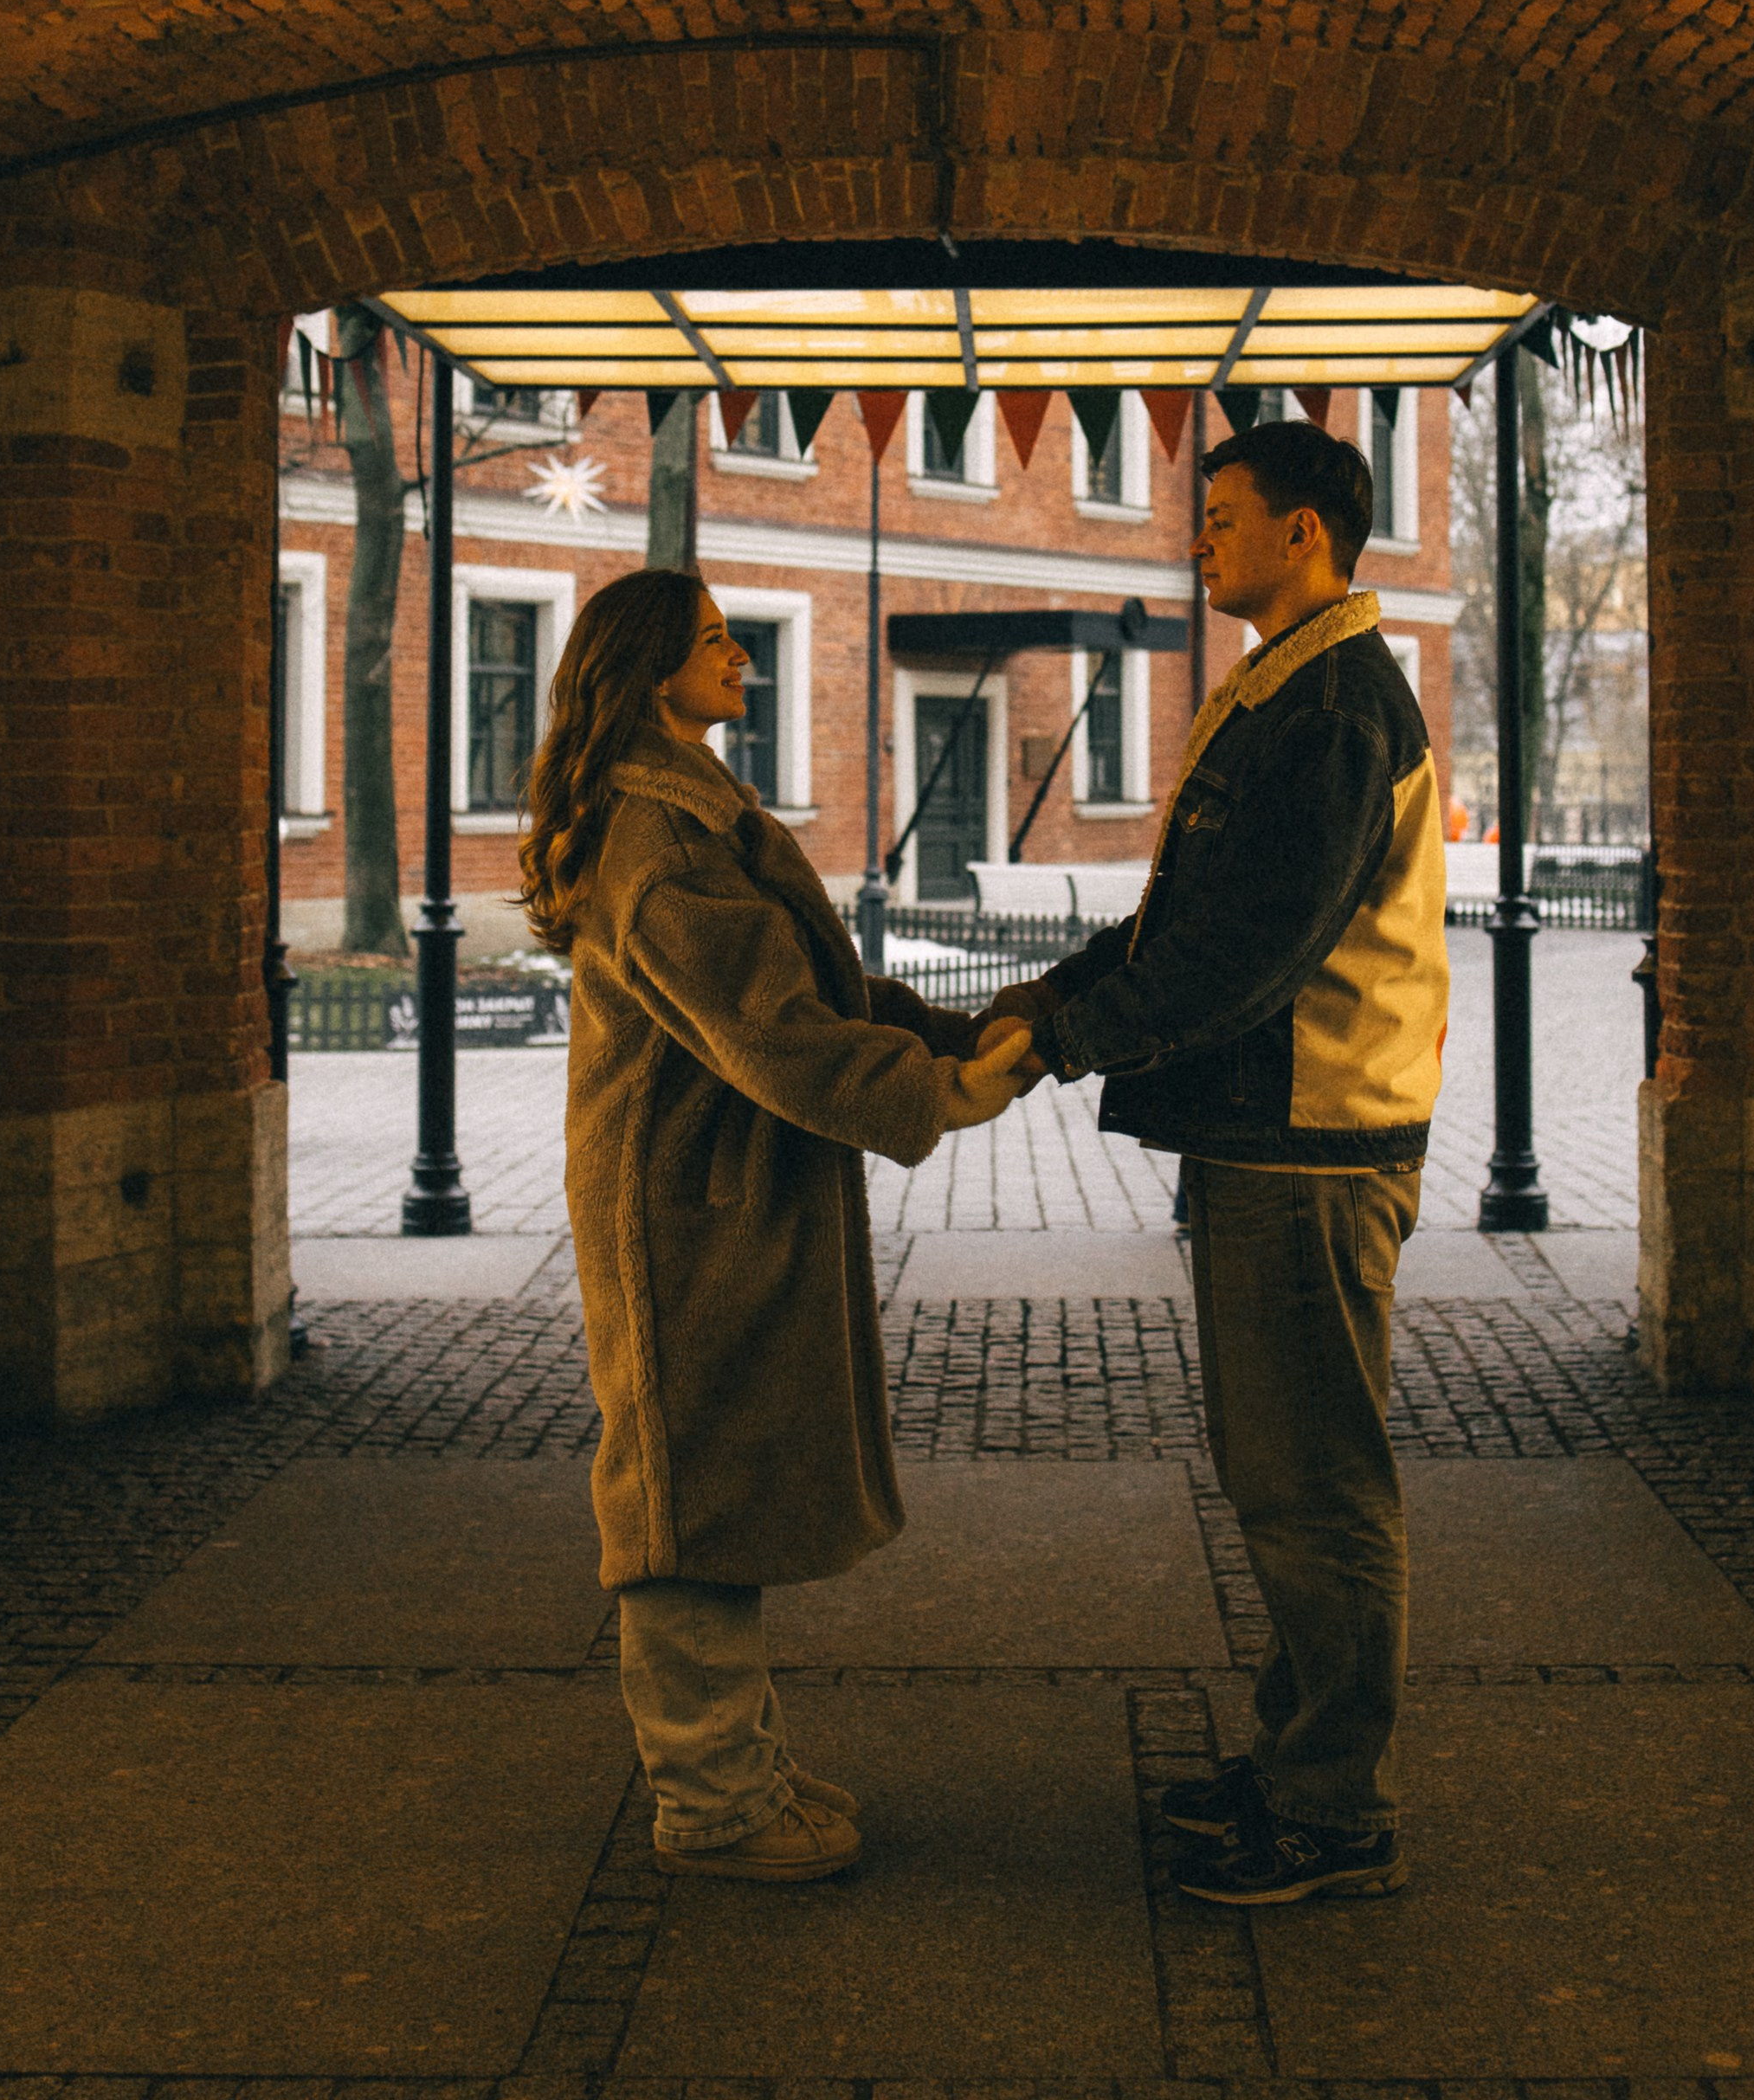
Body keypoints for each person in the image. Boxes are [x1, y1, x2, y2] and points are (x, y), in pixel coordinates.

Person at [992, 419, 1448, 1905]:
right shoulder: (1290, 687)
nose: (1200, 539)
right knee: (1284, 1470)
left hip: (1313, 1143)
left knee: (1312, 1482)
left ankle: (1337, 1811)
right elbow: (1188, 918)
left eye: (1226, 515)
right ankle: (1306, 1748)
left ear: (1305, 531)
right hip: (1280, 1137)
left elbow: (1245, 957)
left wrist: (1064, 1043)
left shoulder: (1328, 707)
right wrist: (1050, 1002)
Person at [520, 569, 1034, 1884]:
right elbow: (775, 1030)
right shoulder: (657, 838)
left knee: (724, 1475)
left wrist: (937, 1031)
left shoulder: (694, 802)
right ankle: (708, 1798)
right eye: (711, 643)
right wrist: (942, 1087)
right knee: (685, 1493)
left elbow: (807, 980)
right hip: (681, 1208)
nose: (739, 656)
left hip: (718, 1192)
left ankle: (734, 1758)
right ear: (648, 674)